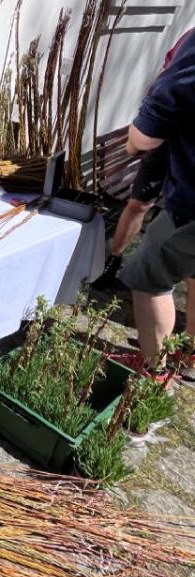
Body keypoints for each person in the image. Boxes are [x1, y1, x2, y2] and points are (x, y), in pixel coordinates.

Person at [117, 28, 195, 380]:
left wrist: (135, 142)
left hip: (190, 207)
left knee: (148, 278)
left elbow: (145, 135)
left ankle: (154, 373)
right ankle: (190, 361)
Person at [93, 29, 194, 290]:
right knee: (139, 203)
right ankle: (113, 260)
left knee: (159, 275)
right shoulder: (190, 38)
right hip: (166, 137)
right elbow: (165, 80)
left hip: (188, 159)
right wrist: (146, 129)